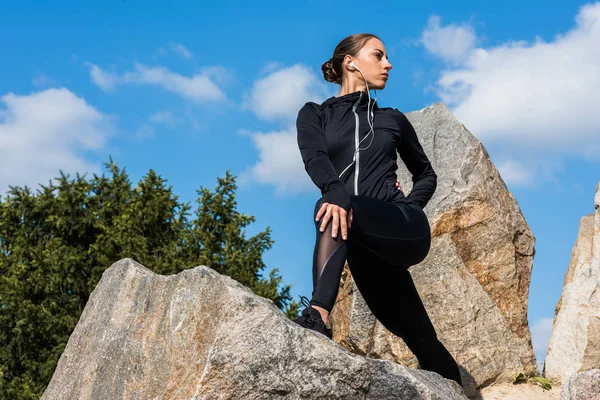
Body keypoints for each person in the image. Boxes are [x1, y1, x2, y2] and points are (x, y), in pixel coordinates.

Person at [291, 33, 462, 386]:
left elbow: (426, 173)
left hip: (402, 226)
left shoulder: (392, 119)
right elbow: (315, 158)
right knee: (418, 336)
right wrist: (337, 191)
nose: (388, 64)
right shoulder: (314, 115)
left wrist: (410, 206)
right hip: (361, 243)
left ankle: (318, 315)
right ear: (350, 62)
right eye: (379, 55)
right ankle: (456, 389)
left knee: (332, 205)